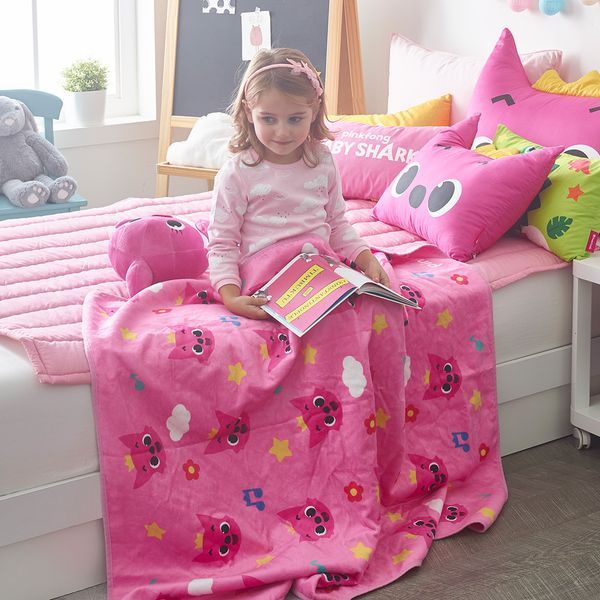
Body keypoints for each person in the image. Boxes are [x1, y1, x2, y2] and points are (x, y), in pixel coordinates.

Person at [207, 47, 390, 320]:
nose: (282, 132)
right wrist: (231, 297)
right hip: (265, 276)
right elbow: (222, 242)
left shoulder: (322, 161)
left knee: (362, 313)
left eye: (295, 119)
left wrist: (367, 259)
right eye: (268, 119)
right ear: (248, 111)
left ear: (313, 110)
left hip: (318, 271)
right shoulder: (237, 173)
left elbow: (337, 224)